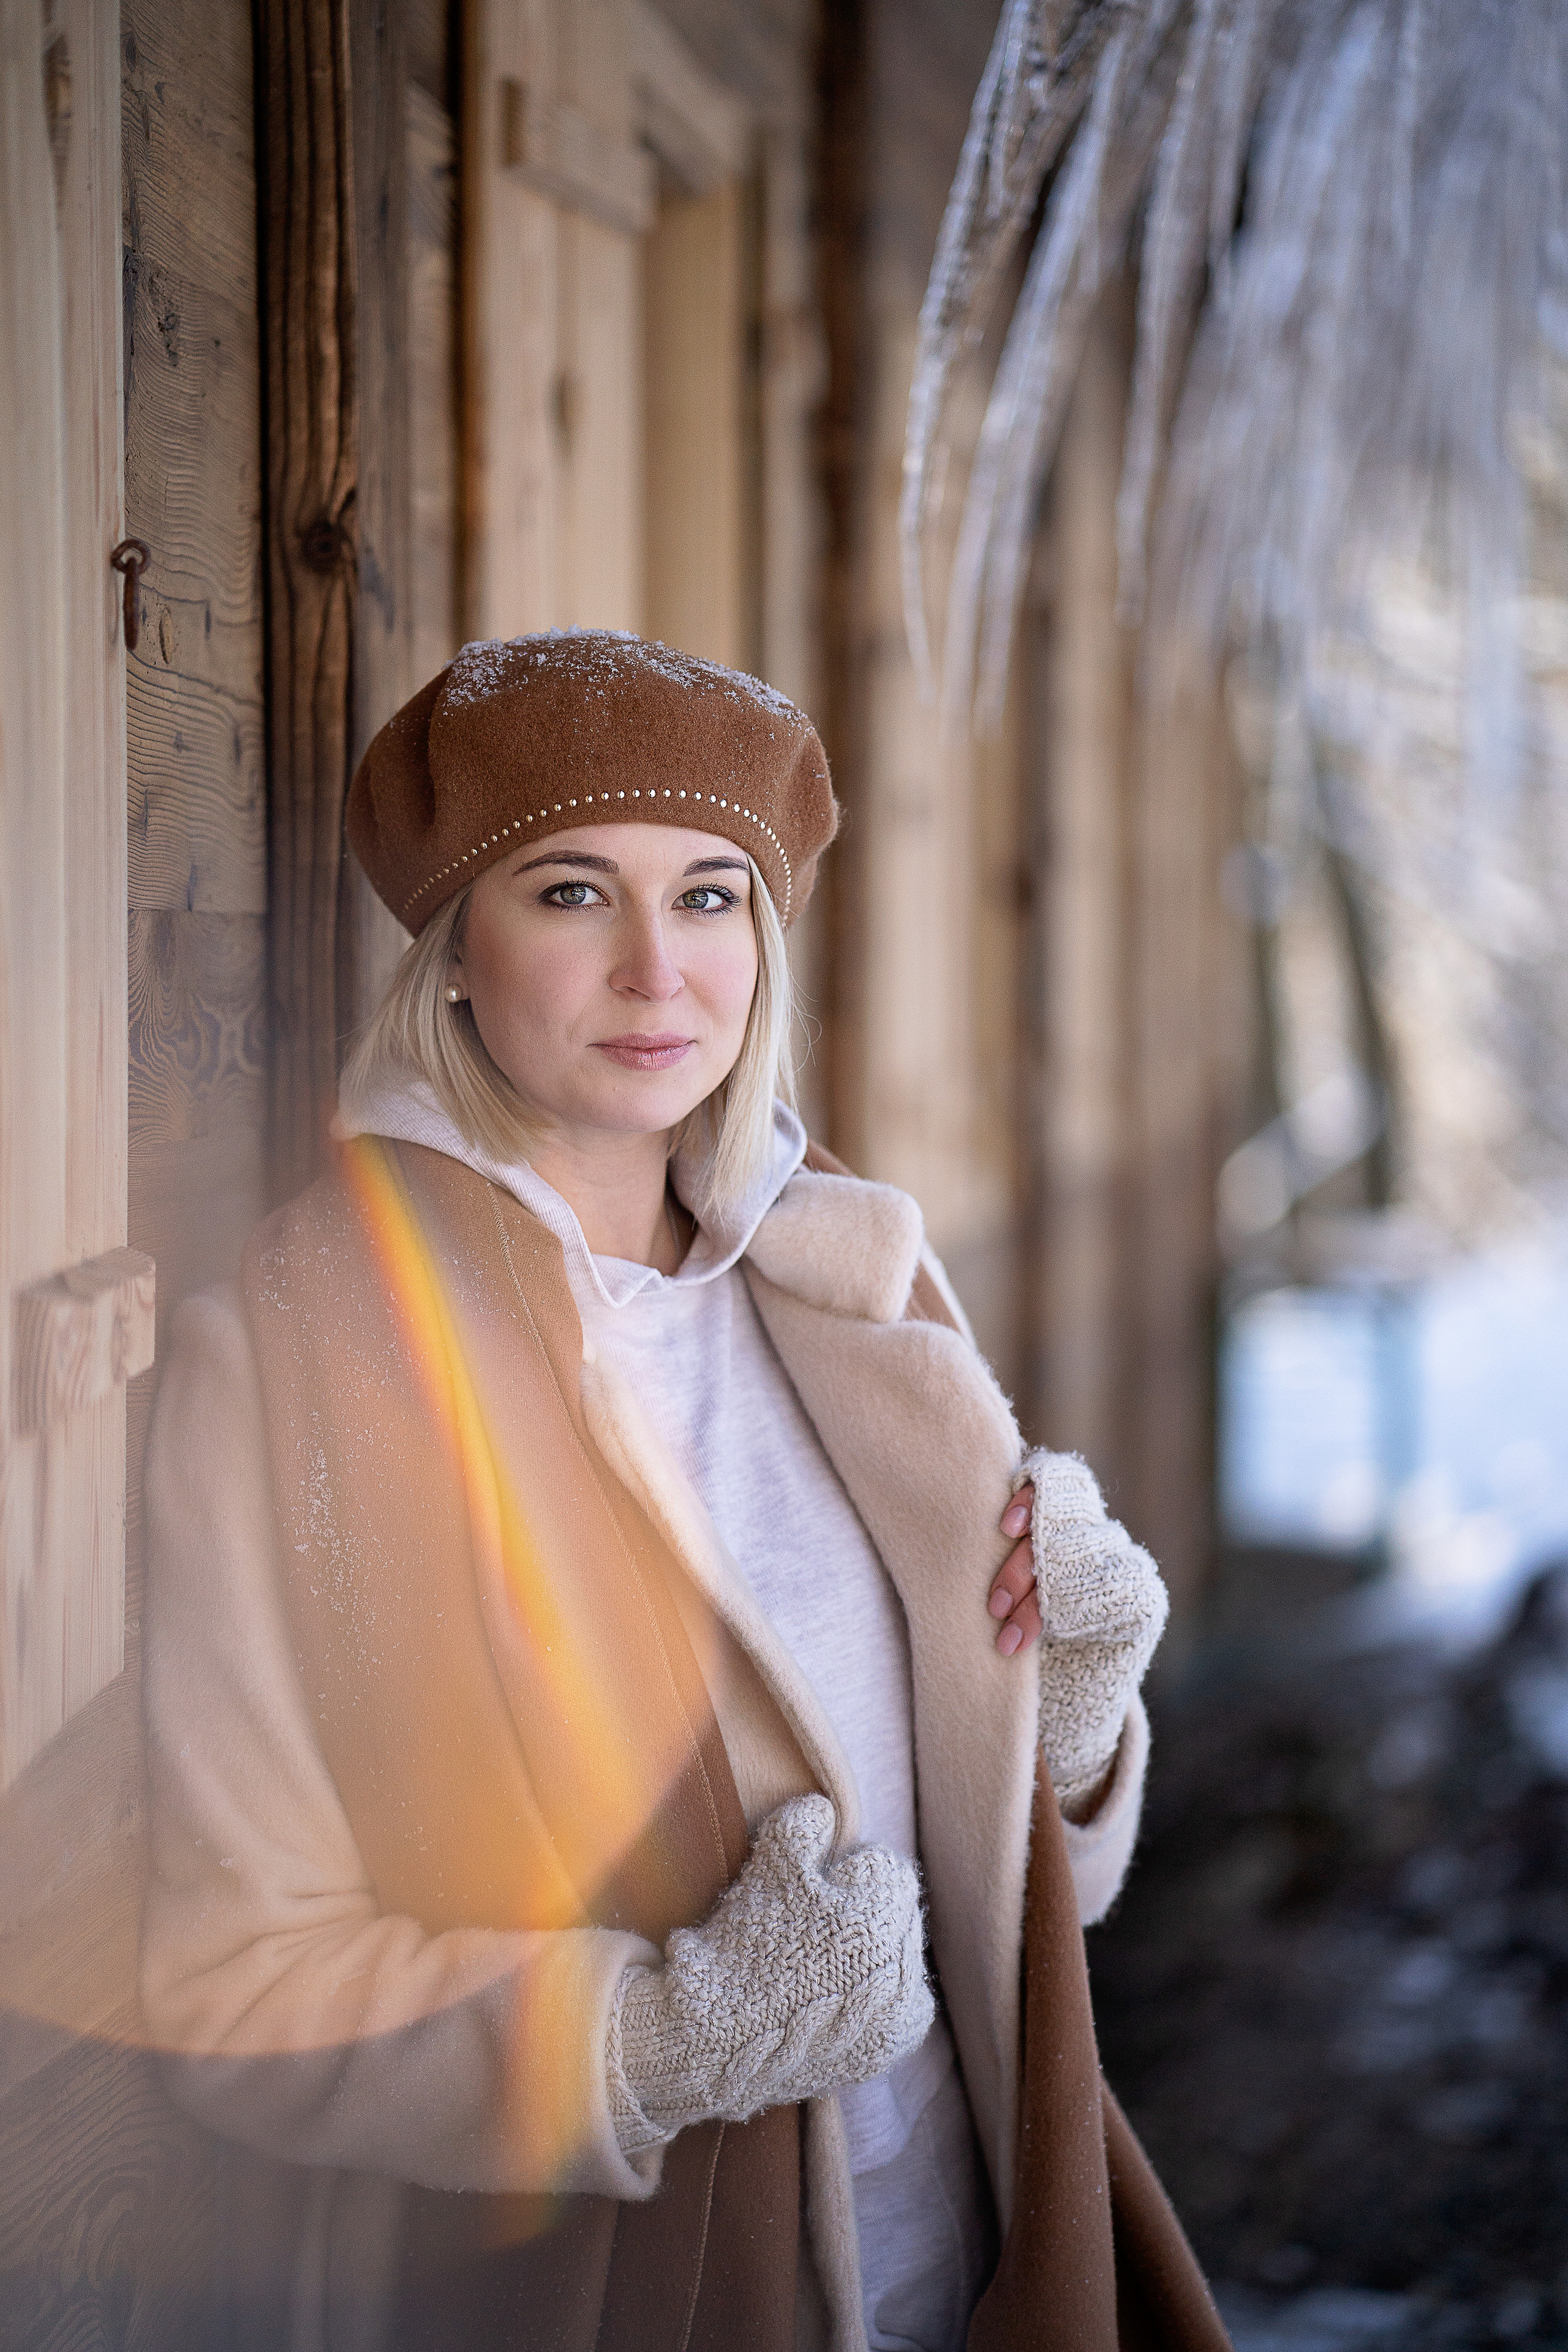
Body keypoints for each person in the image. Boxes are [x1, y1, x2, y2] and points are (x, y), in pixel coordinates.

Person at [140, 631, 1229, 2352]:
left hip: (970, 2246)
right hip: (642, 2298)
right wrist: (658, 2041)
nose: (659, 971)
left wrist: (1069, 1713)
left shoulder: (843, 1275)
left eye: (713, 897)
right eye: (572, 893)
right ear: (453, 950)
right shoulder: (299, 1360)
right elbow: (225, 1985)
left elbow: (1019, 1907)